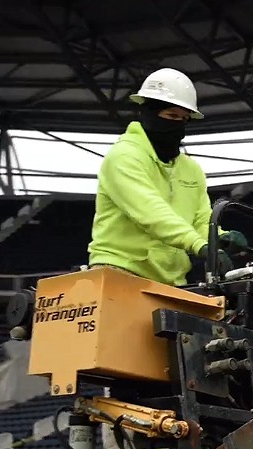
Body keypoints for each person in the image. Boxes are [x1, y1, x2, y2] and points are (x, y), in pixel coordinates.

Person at [87, 67, 216, 287]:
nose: (178, 125)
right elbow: (150, 211)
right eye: (171, 116)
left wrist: (220, 238)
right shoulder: (124, 156)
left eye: (184, 119)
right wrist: (198, 245)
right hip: (119, 272)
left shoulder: (191, 169)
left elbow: (201, 220)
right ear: (148, 113)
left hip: (171, 283)